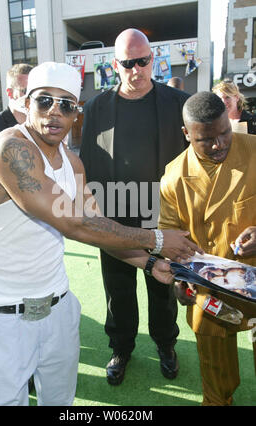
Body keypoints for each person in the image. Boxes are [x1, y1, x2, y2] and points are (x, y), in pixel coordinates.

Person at [0, 61, 200, 406]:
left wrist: (150, 263)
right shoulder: (12, 149)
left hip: (59, 307)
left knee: (61, 401)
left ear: (76, 114)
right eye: (44, 101)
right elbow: (74, 223)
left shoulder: (72, 163)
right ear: (26, 103)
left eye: (66, 105)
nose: (54, 112)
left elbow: (97, 228)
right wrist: (155, 240)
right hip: (6, 314)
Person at [80, 28, 191, 386]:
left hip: (162, 215)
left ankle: (166, 344)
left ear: (153, 59)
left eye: (142, 61)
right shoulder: (97, 107)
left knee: (162, 287)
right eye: (128, 63)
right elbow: (89, 165)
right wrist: (97, 216)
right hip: (114, 215)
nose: (136, 70)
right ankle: (121, 347)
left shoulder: (178, 103)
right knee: (118, 290)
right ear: (116, 65)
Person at [158, 91, 256, 406]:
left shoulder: (255, 150)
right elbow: (170, 235)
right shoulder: (173, 177)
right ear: (187, 134)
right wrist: (180, 277)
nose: (219, 144)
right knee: (215, 381)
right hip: (209, 293)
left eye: (225, 132)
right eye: (206, 139)